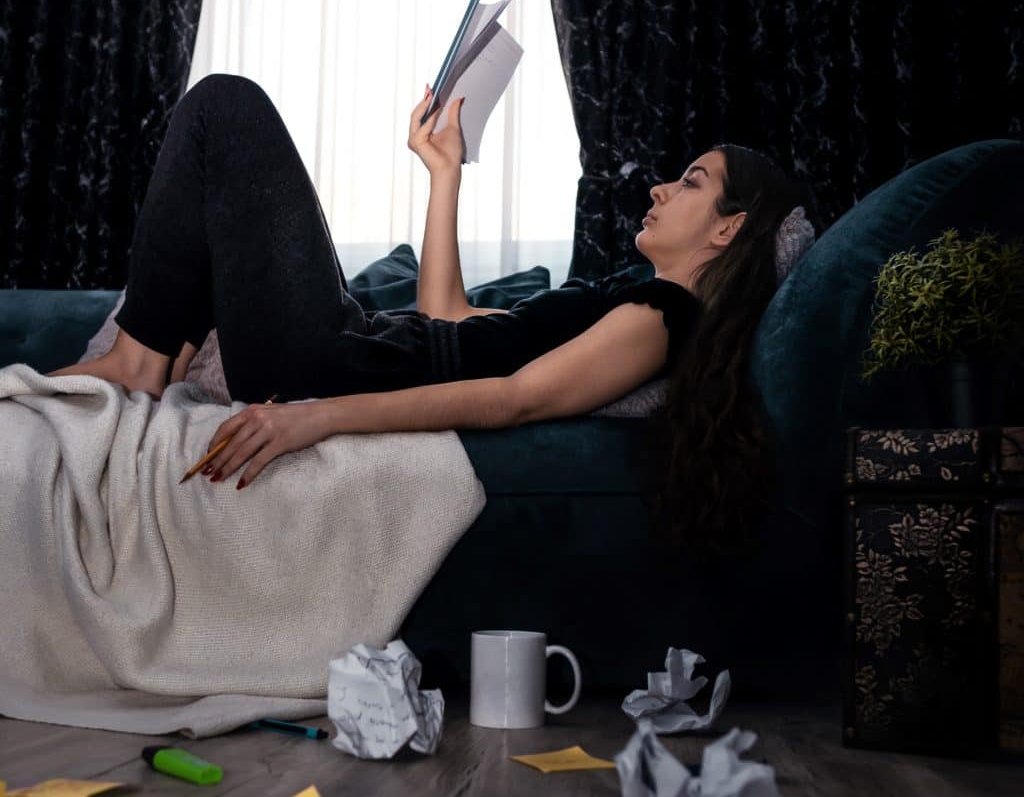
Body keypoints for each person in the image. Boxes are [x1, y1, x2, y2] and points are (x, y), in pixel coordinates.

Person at [45, 73, 821, 549]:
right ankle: (147, 359)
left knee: (225, 107)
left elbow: (514, 400)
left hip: (340, 365)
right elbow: (446, 313)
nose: (659, 189)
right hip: (365, 345)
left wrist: (316, 417)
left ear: (729, 228)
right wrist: (443, 171)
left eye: (689, 182)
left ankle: (141, 366)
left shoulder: (662, 316)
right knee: (222, 189)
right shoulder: (625, 296)